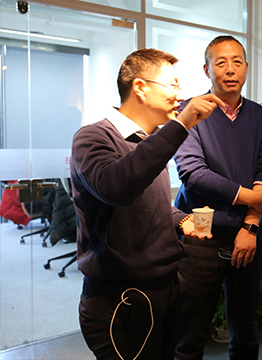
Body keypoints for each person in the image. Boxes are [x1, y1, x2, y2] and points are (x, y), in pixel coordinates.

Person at [71, 48, 223, 360]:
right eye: (173, 85)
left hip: (163, 285)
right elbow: (116, 187)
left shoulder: (148, 141)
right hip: (120, 296)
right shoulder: (93, 137)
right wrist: (181, 125)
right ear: (140, 87)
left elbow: (148, 205)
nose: (179, 95)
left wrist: (181, 219)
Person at [173, 36, 262, 360]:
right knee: (191, 330)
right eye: (221, 62)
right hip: (200, 228)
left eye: (237, 62)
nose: (230, 70)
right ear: (207, 70)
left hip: (246, 231)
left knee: (245, 330)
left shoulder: (258, 114)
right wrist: (250, 198)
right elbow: (192, 172)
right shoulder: (190, 110)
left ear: (246, 67)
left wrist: (250, 224)